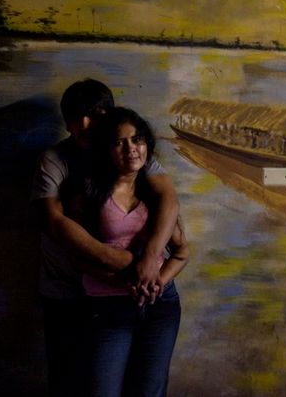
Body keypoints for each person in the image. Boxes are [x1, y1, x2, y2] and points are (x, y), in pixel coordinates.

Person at [31, 79, 180, 397]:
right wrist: (129, 263)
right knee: (70, 382)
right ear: (67, 121)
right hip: (66, 291)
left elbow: (168, 197)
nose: (86, 124)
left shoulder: (130, 154)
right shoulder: (56, 160)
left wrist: (152, 258)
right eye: (77, 116)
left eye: (95, 114)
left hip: (125, 294)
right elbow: (54, 222)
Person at [83, 107, 189, 397]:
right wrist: (130, 279)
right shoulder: (89, 192)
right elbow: (80, 256)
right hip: (109, 308)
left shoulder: (155, 195)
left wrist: (156, 281)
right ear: (106, 149)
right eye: (120, 142)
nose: (131, 148)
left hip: (160, 306)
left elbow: (181, 252)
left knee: (150, 392)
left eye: (137, 139)